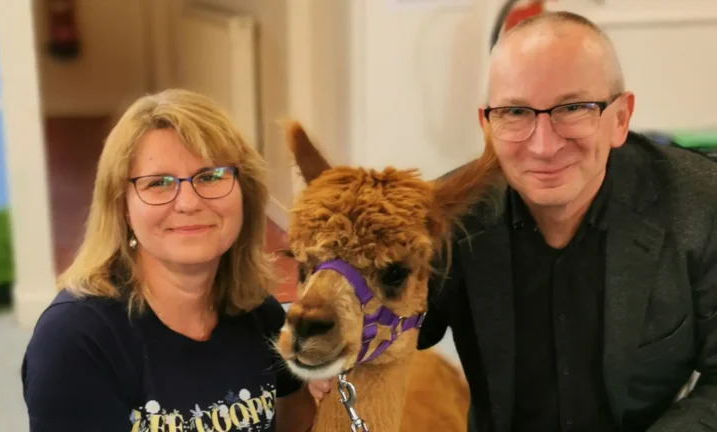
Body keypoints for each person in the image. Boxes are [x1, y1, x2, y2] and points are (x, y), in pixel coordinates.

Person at [306, 11, 717, 432]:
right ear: (487, 124)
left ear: (620, 119)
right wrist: (335, 341)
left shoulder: (701, 206)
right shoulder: (446, 216)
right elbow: (397, 320)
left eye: (574, 107)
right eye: (516, 112)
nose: (543, 145)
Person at [21, 89, 317, 432]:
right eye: (158, 183)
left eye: (210, 176)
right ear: (122, 208)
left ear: (244, 194)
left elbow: (297, 420)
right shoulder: (75, 340)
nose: (188, 202)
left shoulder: (260, 314)